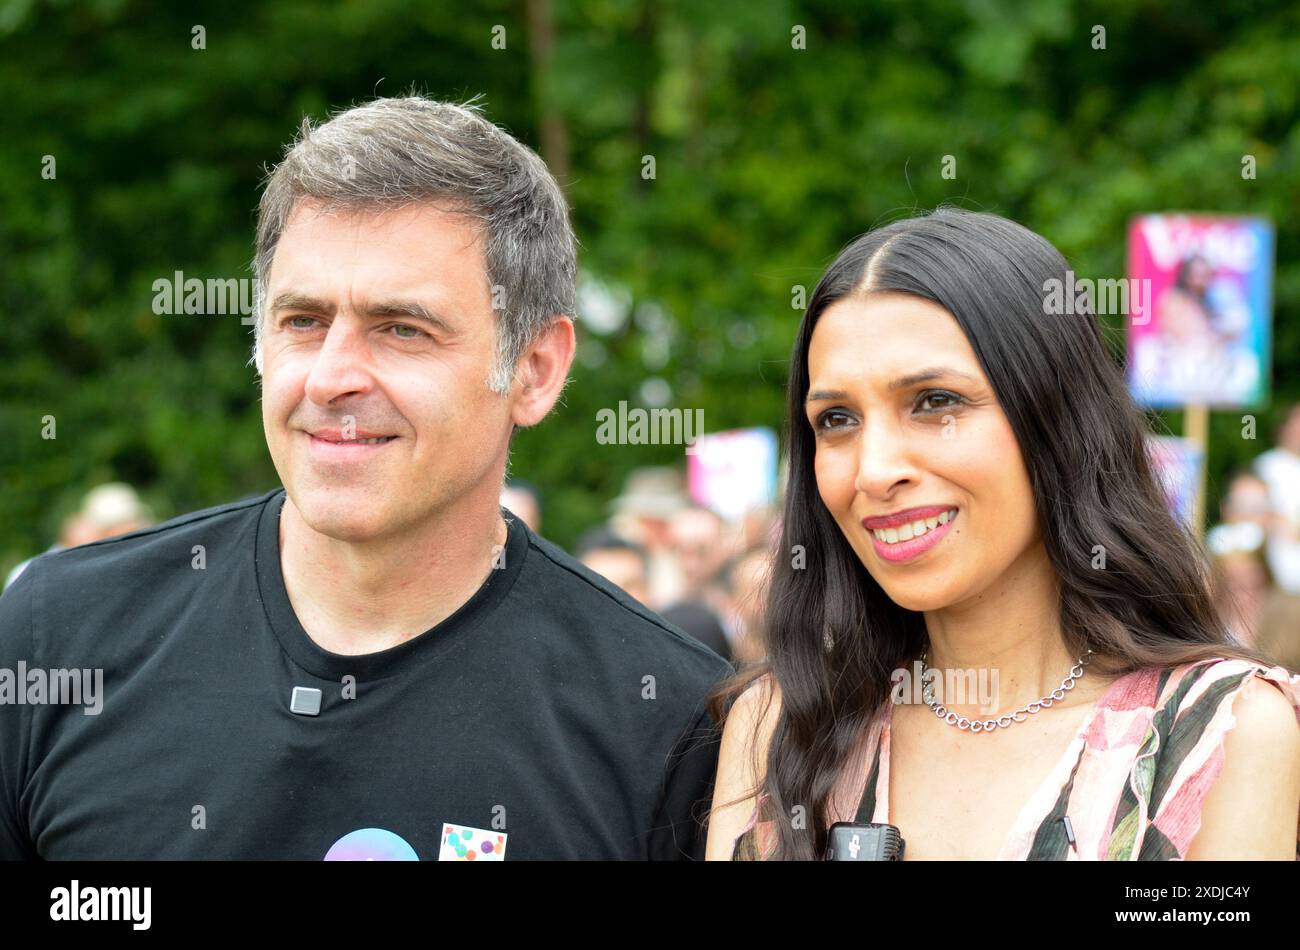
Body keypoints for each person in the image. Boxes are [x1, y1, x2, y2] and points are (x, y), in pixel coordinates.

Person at [0, 96, 731, 860]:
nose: (331, 378)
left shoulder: (670, 723)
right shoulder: (60, 639)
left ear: (535, 369)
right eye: (303, 322)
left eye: (402, 329)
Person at [705, 209, 1300, 861]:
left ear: (1056, 417)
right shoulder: (782, 727)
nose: (874, 470)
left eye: (935, 402)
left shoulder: (1214, 732)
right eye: (837, 418)